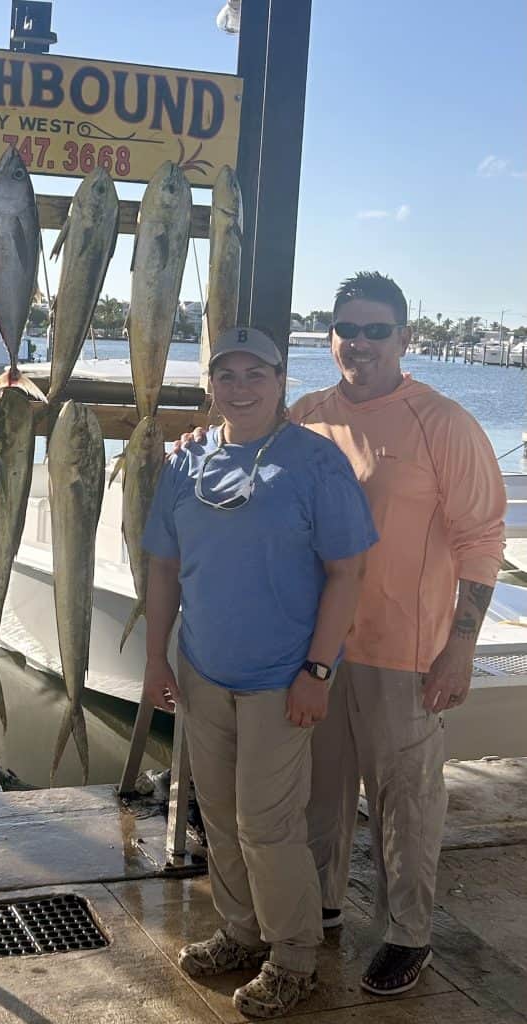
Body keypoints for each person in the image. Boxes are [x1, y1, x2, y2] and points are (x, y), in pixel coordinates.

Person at [141, 326, 378, 1019]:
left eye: (257, 374)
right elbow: (162, 567)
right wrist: (156, 655)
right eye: (227, 375)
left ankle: (294, 954)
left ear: (280, 381)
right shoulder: (182, 465)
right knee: (214, 813)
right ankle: (241, 931)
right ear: (208, 384)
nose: (240, 388)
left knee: (266, 825)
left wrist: (316, 669)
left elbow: (346, 572)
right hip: (203, 669)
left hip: (281, 677)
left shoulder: (314, 463)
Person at [289, 272, 506, 995]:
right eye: (346, 328)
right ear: (329, 337)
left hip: (405, 653)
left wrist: (461, 645)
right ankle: (318, 905)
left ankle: (406, 932)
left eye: (376, 329)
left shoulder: (441, 421)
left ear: (404, 338)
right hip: (318, 647)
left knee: (403, 804)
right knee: (318, 792)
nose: (359, 342)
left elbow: (479, 538)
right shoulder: (304, 415)